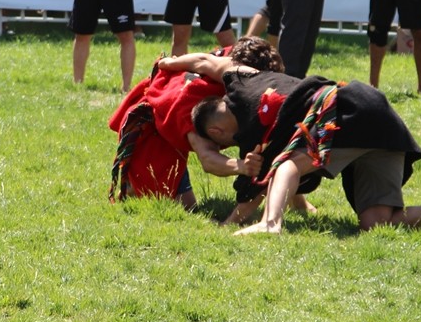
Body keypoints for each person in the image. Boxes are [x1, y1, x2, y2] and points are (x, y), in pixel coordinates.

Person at [159, 51, 421, 237]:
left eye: (222, 143)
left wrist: (228, 224)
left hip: (342, 109)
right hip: (376, 112)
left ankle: (271, 225)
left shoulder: (255, 134)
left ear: (216, 131)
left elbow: (255, 190)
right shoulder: (243, 76)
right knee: (377, 223)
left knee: (285, 165)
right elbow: (203, 60)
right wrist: (168, 64)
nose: (229, 147)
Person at [109, 38, 298, 214]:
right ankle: (135, 184)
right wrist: (242, 166)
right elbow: (208, 159)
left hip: (173, 105)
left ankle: (298, 202)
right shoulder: (194, 106)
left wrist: (169, 63)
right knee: (185, 207)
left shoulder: (236, 62)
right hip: (153, 130)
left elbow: (201, 59)